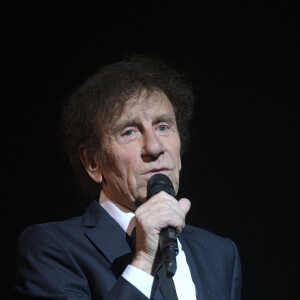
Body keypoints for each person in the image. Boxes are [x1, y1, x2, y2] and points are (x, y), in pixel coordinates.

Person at [15, 56, 242, 299]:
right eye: (129, 132)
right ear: (93, 162)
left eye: (163, 127)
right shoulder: (52, 248)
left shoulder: (220, 254)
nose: (154, 147)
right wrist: (144, 260)